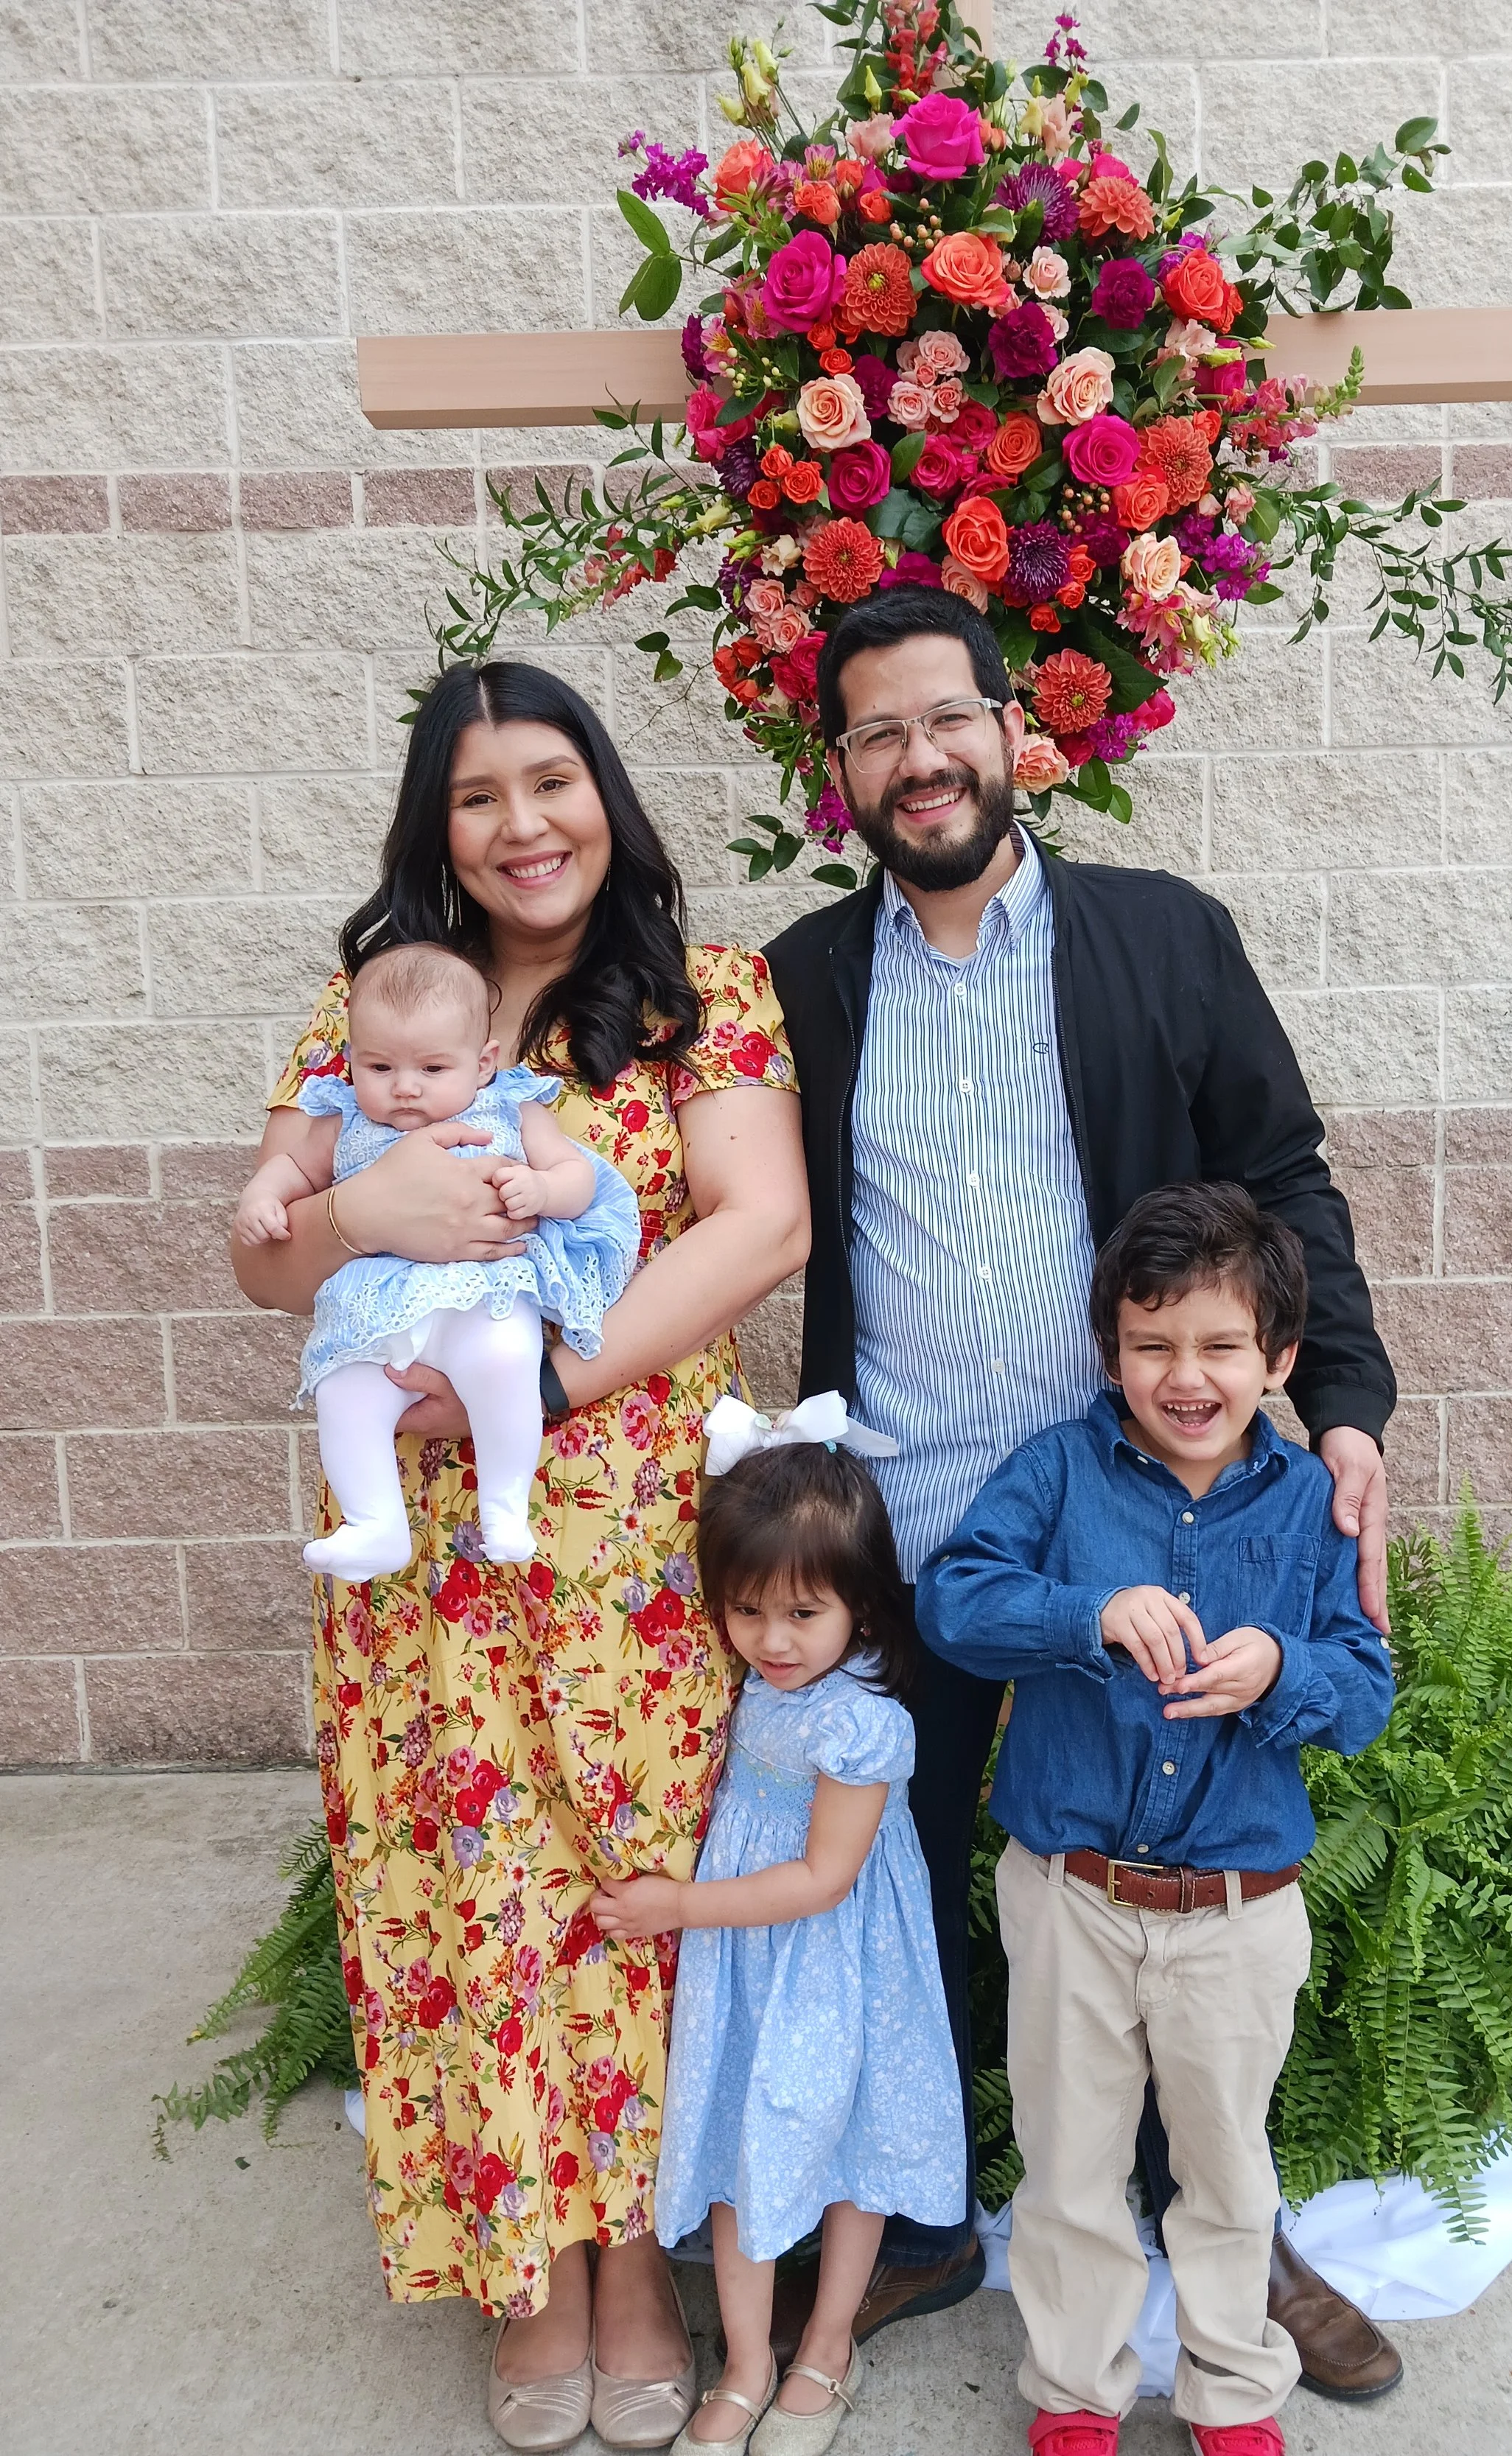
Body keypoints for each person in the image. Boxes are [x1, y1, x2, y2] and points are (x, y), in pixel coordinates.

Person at [761, 586, 1405, 2398]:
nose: (920, 759)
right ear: (842, 773)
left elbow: (1283, 1174)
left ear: (1013, 731)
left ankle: (1228, 2231)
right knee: (892, 1885)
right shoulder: (805, 981)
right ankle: (922, 2215)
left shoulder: (1160, 941)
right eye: (877, 733)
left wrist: (1338, 1398)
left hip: (1141, 1527)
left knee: (1164, 1881)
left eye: (944, 719)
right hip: (904, 1543)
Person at [231, 660, 809, 2454]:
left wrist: (555, 1378)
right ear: (440, 829)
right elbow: (266, 1258)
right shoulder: (371, 1011)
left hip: (632, 1549)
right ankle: (526, 2271)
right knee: (466, 1901)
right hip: (422, 1571)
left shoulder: (706, 994)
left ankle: (637, 2267)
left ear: (605, 797)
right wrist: (348, 1216)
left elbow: (760, 1223)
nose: (521, 824)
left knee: (628, 1901)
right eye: (477, 797)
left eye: (549, 782)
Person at [917, 1182, 1396, 2456]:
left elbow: (1364, 1688)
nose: (1186, 1376)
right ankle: (1077, 2388)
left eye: (1222, 1346)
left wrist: (1285, 1672)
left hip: (1238, 1910)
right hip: (1073, 1890)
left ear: (1281, 1360)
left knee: (1227, 2166)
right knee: (1071, 2163)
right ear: (1111, 1348)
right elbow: (956, 1598)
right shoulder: (1060, 1472)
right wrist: (1087, 1614)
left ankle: (1233, 2387)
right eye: (1152, 1344)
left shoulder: (1311, 1505)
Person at [591, 1411, 962, 2456]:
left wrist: (675, 1905)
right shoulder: (752, 1684)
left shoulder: (863, 1720)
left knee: (847, 2145)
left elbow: (820, 1876)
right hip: (750, 1968)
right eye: (747, 1609)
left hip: (838, 1963)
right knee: (739, 2139)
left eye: (805, 1610)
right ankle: (748, 2360)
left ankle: (827, 2345)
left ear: (863, 1603)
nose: (774, 1638)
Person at [234, 940, 640, 1578]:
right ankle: (374, 1524)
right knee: (345, 1394)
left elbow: (579, 1177)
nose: (404, 1088)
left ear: (482, 1063)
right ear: (350, 1061)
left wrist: (543, 1190)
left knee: (506, 1362)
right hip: (376, 1309)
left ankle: (505, 1504)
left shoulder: (511, 1105)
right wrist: (264, 1194)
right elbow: (290, 1167)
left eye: (431, 1068)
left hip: (483, 1296)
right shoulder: (342, 1119)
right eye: (378, 1067)